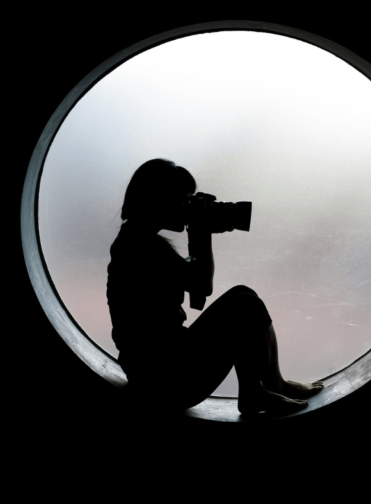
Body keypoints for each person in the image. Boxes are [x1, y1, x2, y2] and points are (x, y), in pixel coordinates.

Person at [106, 158, 323, 416]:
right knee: (245, 303)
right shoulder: (143, 247)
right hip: (166, 381)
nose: (189, 206)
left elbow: (192, 288)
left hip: (157, 371)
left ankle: (274, 383)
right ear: (160, 199)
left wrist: (198, 232)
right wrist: (203, 231)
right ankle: (255, 393)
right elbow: (202, 285)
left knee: (244, 295)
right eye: (184, 198)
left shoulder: (135, 239)